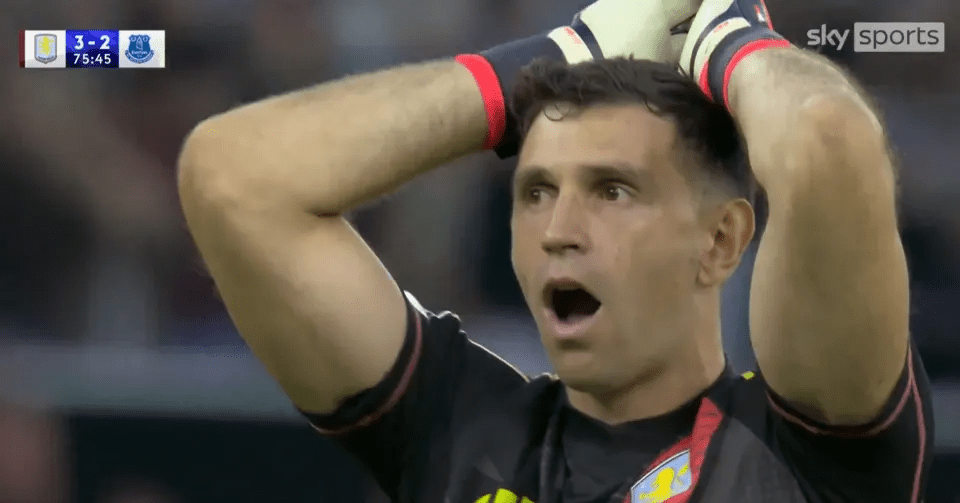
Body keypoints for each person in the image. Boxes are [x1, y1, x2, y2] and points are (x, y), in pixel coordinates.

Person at [177, 0, 935, 501]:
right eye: (536, 191)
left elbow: (826, 143)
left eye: (612, 190)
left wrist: (728, 43)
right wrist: (556, 55)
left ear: (721, 240)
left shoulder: (798, 454)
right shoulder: (460, 431)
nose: (559, 228)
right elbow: (231, 178)